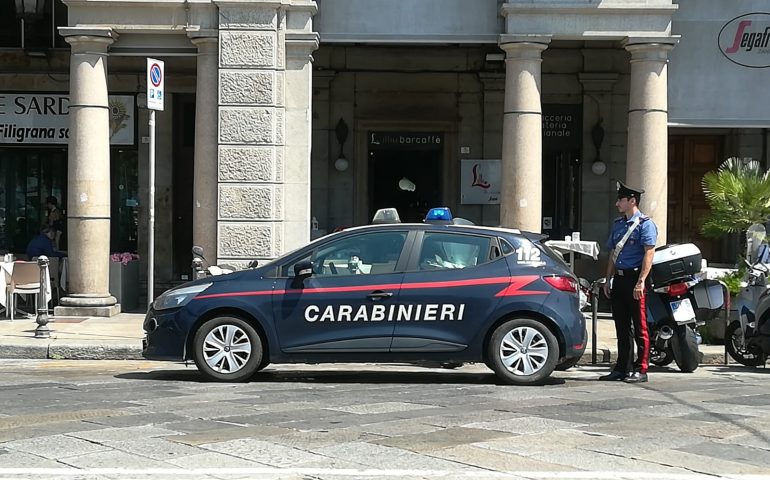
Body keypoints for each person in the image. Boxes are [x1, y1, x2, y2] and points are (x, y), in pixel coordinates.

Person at [600, 181, 658, 384]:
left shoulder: (645, 224)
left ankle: (641, 368)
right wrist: (608, 279)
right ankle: (622, 367)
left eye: (621, 200)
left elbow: (648, 254)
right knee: (621, 326)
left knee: (640, 327)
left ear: (632, 201)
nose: (617, 203)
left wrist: (641, 281)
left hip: (635, 279)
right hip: (620, 279)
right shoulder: (618, 225)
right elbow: (612, 255)